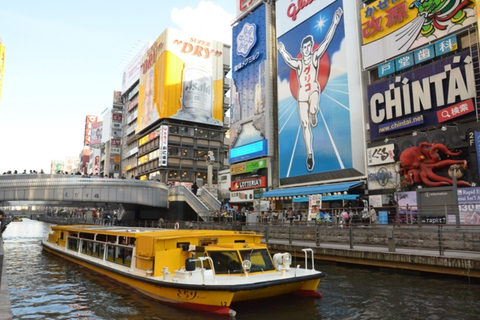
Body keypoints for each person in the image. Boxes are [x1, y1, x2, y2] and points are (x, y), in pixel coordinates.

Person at [277, 7, 343, 171]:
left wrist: (335, 23)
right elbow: (289, 60)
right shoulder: (299, 63)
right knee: (305, 125)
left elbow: (326, 42)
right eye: (305, 47)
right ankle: (310, 153)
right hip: (301, 95)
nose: (307, 49)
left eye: (309, 46)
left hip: (313, 88)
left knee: (313, 109)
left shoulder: (314, 57)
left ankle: (314, 114)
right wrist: (282, 50)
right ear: (302, 49)